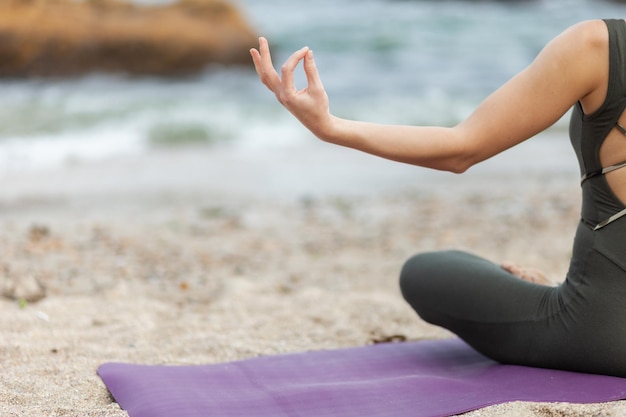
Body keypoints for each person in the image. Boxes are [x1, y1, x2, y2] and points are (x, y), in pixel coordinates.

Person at [250, 19, 626, 377]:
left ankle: (545, 291)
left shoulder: (596, 47)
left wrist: (330, 127)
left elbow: (461, 149)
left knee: (425, 271)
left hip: (603, 330)